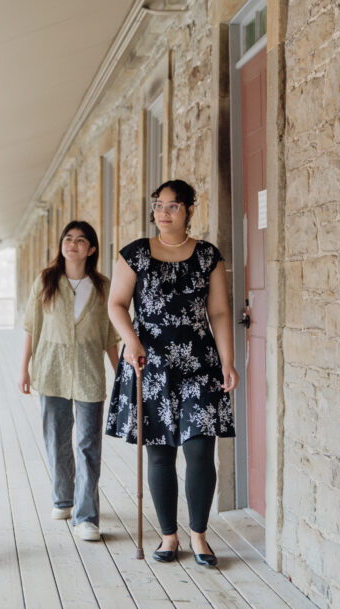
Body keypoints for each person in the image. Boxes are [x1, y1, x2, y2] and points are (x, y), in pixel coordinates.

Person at [106, 179, 238, 567]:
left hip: (199, 363)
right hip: (150, 363)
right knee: (160, 453)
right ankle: (168, 535)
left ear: (190, 210)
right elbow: (116, 304)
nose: (163, 213)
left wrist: (227, 361)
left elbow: (219, 312)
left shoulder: (208, 256)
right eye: (158, 205)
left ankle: (199, 535)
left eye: (173, 206)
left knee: (200, 450)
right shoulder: (135, 254)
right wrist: (130, 340)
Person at [17, 221, 119, 541]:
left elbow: (110, 337)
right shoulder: (46, 281)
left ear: (91, 249)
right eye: (67, 239)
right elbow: (32, 327)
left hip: (89, 372)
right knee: (57, 439)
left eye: (80, 240)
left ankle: (86, 515)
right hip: (50, 370)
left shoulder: (103, 286)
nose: (72, 244)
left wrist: (122, 375)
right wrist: (24, 369)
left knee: (88, 444)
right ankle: (63, 498)